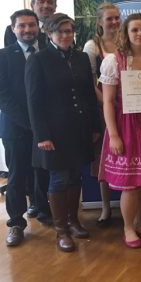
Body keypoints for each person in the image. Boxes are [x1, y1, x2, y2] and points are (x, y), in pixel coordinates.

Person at [25, 13, 100, 252]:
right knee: (59, 178)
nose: (66, 36)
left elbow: (89, 95)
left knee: (76, 176)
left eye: (69, 31)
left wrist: (95, 126)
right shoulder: (38, 60)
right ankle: (61, 231)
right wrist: (42, 135)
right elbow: (33, 102)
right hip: (54, 132)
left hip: (79, 129)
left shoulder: (79, 58)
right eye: (61, 32)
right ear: (49, 34)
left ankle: (74, 220)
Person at [99, 13, 141, 248]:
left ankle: (138, 222)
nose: (139, 34)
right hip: (125, 125)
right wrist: (113, 134)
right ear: (126, 33)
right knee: (131, 183)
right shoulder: (114, 61)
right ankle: (127, 227)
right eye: (134, 30)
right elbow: (107, 102)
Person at [0, 10, 41, 246]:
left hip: (44, 128)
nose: (27, 30)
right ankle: (16, 223)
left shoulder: (46, 53)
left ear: (38, 27)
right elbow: (3, 97)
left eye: (31, 25)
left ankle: (45, 212)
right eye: (22, 26)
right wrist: (30, 124)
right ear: (13, 28)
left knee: (43, 172)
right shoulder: (3, 56)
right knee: (17, 175)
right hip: (16, 129)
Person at [83, 2, 120, 228]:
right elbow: (89, 81)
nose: (115, 22)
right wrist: (107, 102)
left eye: (117, 17)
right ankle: (106, 206)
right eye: (109, 18)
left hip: (127, 108)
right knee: (104, 158)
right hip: (103, 109)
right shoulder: (92, 46)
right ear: (99, 22)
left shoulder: (126, 42)